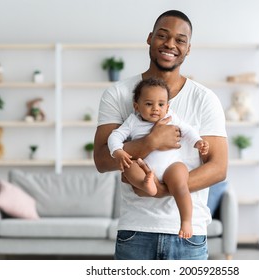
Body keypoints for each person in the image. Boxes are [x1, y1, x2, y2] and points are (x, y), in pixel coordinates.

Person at [94, 10, 228, 260]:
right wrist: (149, 142)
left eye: (180, 40)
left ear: (188, 48)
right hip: (136, 231)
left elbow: (219, 167)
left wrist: (162, 189)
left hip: (189, 234)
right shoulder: (118, 94)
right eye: (163, 36)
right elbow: (102, 160)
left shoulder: (205, 99)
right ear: (149, 38)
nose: (170, 44)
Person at [107, 77, 209, 239]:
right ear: (136, 106)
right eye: (148, 104)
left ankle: (186, 221)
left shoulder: (170, 117)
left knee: (181, 184)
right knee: (129, 166)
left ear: (167, 107)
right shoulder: (133, 121)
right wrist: (118, 151)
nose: (155, 109)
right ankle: (146, 185)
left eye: (161, 104)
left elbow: (187, 129)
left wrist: (197, 142)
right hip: (143, 167)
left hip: (171, 166)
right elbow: (115, 136)